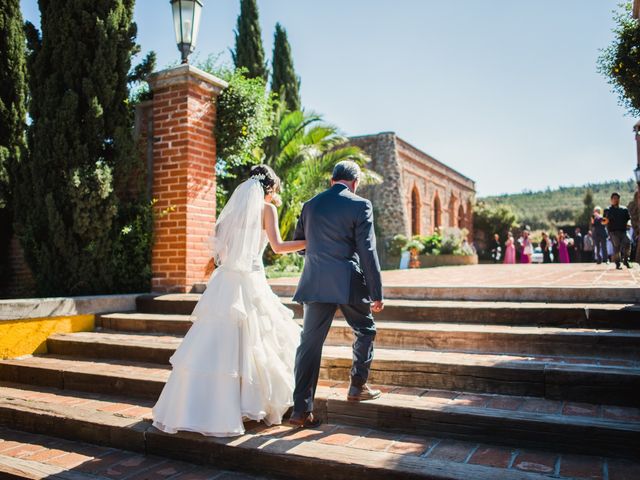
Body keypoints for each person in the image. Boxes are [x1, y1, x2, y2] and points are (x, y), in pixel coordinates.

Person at [151, 165, 306, 437]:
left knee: (214, 343)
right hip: (251, 282)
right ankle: (250, 403)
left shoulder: (232, 212)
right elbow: (279, 248)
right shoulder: (266, 210)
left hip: (225, 283)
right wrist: (309, 241)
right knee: (256, 341)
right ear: (270, 188)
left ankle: (199, 407)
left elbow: (219, 248)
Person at [290, 161, 384, 429]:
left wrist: (322, 251)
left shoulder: (310, 205)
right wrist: (376, 291)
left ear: (332, 180)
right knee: (365, 329)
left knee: (309, 344)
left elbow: (300, 245)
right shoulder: (360, 204)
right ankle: (358, 386)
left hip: (315, 281)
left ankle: (300, 410)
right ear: (355, 182)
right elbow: (368, 250)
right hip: (348, 282)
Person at [603, 192, 632, 269]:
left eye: (617, 198)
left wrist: (629, 223)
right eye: (614, 198)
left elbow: (629, 219)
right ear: (611, 200)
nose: (616, 200)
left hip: (624, 231)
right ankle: (618, 263)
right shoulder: (608, 210)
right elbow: (604, 220)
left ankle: (626, 260)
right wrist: (605, 221)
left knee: (628, 243)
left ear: (619, 199)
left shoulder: (624, 209)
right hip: (613, 232)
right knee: (616, 248)